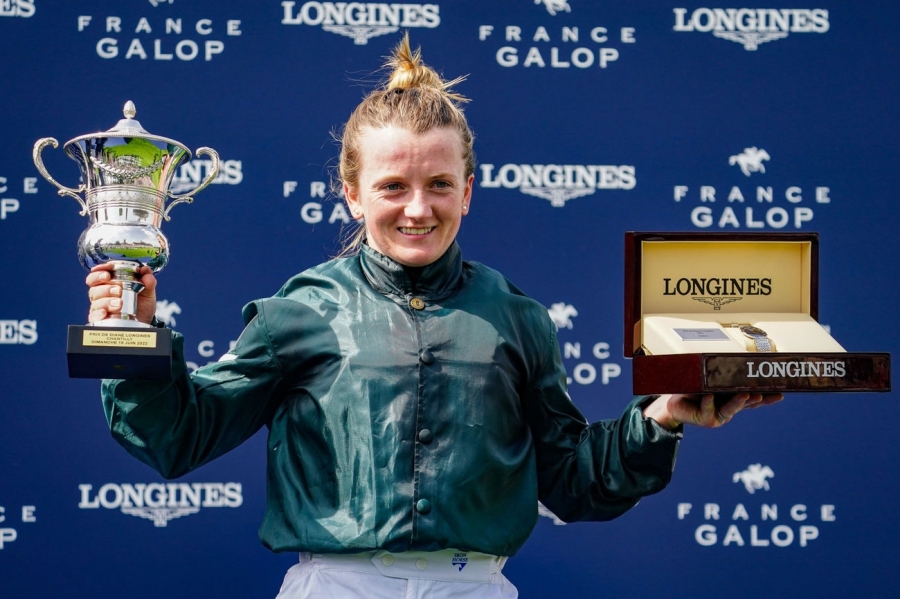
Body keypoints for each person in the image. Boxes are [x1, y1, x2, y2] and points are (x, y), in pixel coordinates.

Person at [86, 34, 781, 599]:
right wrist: (132, 340)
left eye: (439, 184)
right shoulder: (299, 308)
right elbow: (177, 435)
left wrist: (658, 417)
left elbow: (571, 481)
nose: (418, 208)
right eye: (393, 186)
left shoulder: (516, 316)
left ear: (469, 191)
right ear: (352, 194)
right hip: (336, 586)